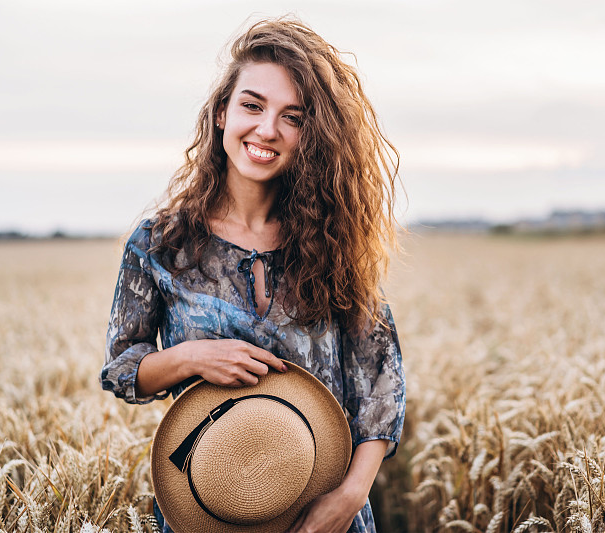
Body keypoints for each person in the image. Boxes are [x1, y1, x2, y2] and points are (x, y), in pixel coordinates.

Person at [100, 17, 405, 533]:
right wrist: (190, 357)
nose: (267, 130)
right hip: (212, 508)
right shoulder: (161, 245)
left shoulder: (333, 239)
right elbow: (122, 368)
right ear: (222, 113)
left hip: (326, 514)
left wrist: (350, 497)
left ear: (312, 134)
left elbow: (380, 383)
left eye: (294, 116)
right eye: (252, 105)